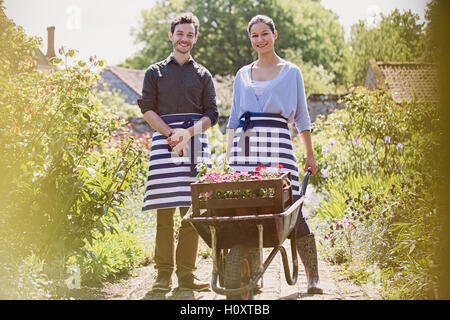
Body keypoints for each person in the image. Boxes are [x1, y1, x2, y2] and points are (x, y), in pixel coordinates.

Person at [226, 14, 322, 294]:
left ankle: (313, 276)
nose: (260, 40)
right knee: (247, 210)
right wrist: (229, 157)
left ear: (275, 34)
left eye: (264, 33)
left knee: (291, 209)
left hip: (278, 143)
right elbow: (233, 118)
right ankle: (252, 277)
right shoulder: (242, 74)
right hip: (245, 147)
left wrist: (310, 155)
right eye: (254, 35)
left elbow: (302, 117)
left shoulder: (291, 72)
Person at [137, 12, 218, 293]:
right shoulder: (154, 72)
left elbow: (212, 115)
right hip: (164, 144)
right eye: (180, 34)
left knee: (192, 214)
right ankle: (163, 274)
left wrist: (188, 134)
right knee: (164, 213)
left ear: (195, 38)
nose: (185, 39)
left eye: (190, 35)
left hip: (195, 146)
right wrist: (172, 135)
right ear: (171, 35)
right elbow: (147, 108)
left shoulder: (203, 74)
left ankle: (186, 275)